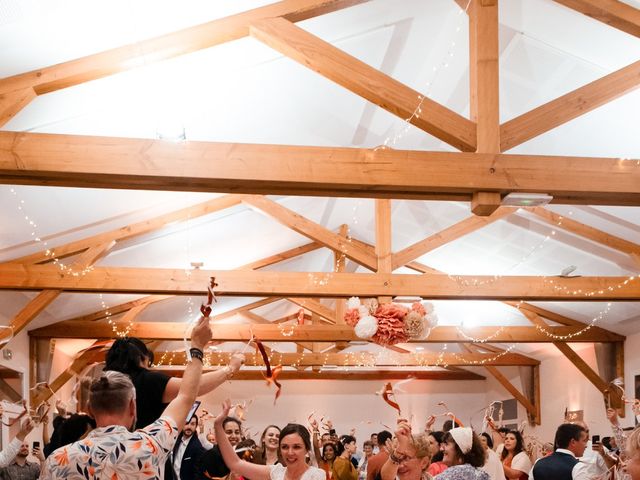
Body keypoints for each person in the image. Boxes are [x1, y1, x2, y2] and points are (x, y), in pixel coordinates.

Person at [41, 314, 221, 479]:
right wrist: (197, 346)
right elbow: (186, 396)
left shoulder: (57, 460)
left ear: (89, 410)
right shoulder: (151, 445)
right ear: (132, 408)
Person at [105, 336, 244, 429]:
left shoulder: (102, 383)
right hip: (144, 455)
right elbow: (191, 388)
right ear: (142, 358)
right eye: (149, 361)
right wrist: (231, 368)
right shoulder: (147, 380)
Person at [213, 399, 325, 480]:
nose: (290, 452)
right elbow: (235, 463)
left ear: (306, 449)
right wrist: (218, 425)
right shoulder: (276, 472)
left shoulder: (317, 476)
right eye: (285, 447)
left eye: (296, 447)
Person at [166, 415, 206, 480]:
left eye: (192, 424)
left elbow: (198, 474)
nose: (189, 427)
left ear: (196, 426)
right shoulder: (176, 440)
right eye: (187, 423)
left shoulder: (198, 447)